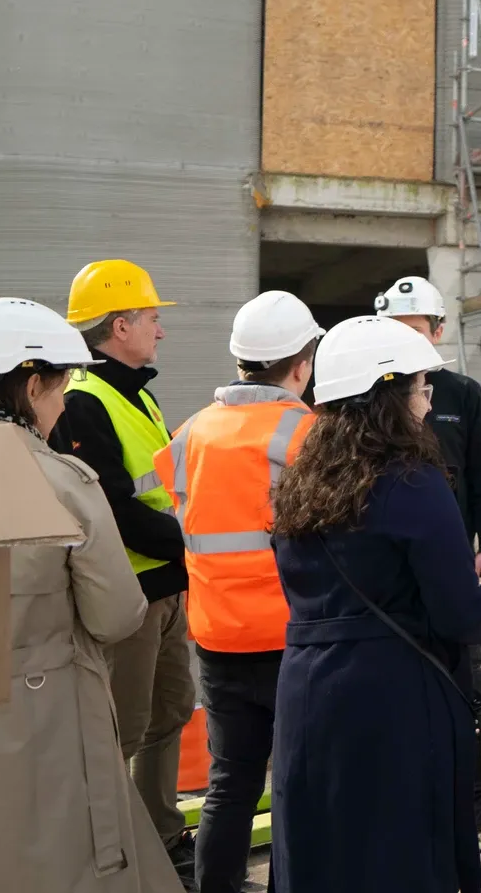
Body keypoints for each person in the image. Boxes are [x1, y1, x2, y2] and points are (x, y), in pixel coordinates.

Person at [269, 315, 481, 893]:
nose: (426, 405)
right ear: (387, 397)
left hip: (306, 698)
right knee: (399, 860)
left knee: (324, 857)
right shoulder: (413, 483)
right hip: (394, 704)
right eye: (421, 389)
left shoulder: (301, 480)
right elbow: (459, 615)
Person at [0, 297, 182, 892]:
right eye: (60, 388)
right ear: (33, 386)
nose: (64, 405)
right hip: (45, 724)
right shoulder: (63, 482)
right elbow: (115, 616)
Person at [152, 292, 323, 893]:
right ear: (301, 364)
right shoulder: (308, 434)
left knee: (230, 782)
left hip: (217, 637)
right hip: (293, 640)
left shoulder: (192, 430)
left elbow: (179, 513)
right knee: (298, 784)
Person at [51, 258, 196, 884]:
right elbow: (113, 508)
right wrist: (193, 546)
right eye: (152, 319)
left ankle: (163, 833)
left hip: (167, 586)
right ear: (120, 324)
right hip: (134, 593)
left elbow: (156, 490)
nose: (160, 331)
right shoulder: (85, 400)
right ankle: (115, 852)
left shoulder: (136, 391)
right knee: (125, 727)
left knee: (172, 712)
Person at [373, 274, 481, 862]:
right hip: (390, 581)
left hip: (454, 572)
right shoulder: (367, 398)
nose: (408, 341)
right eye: (397, 331)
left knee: (470, 693)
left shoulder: (462, 395)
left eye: (417, 330)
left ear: (437, 331)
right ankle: (417, 810)